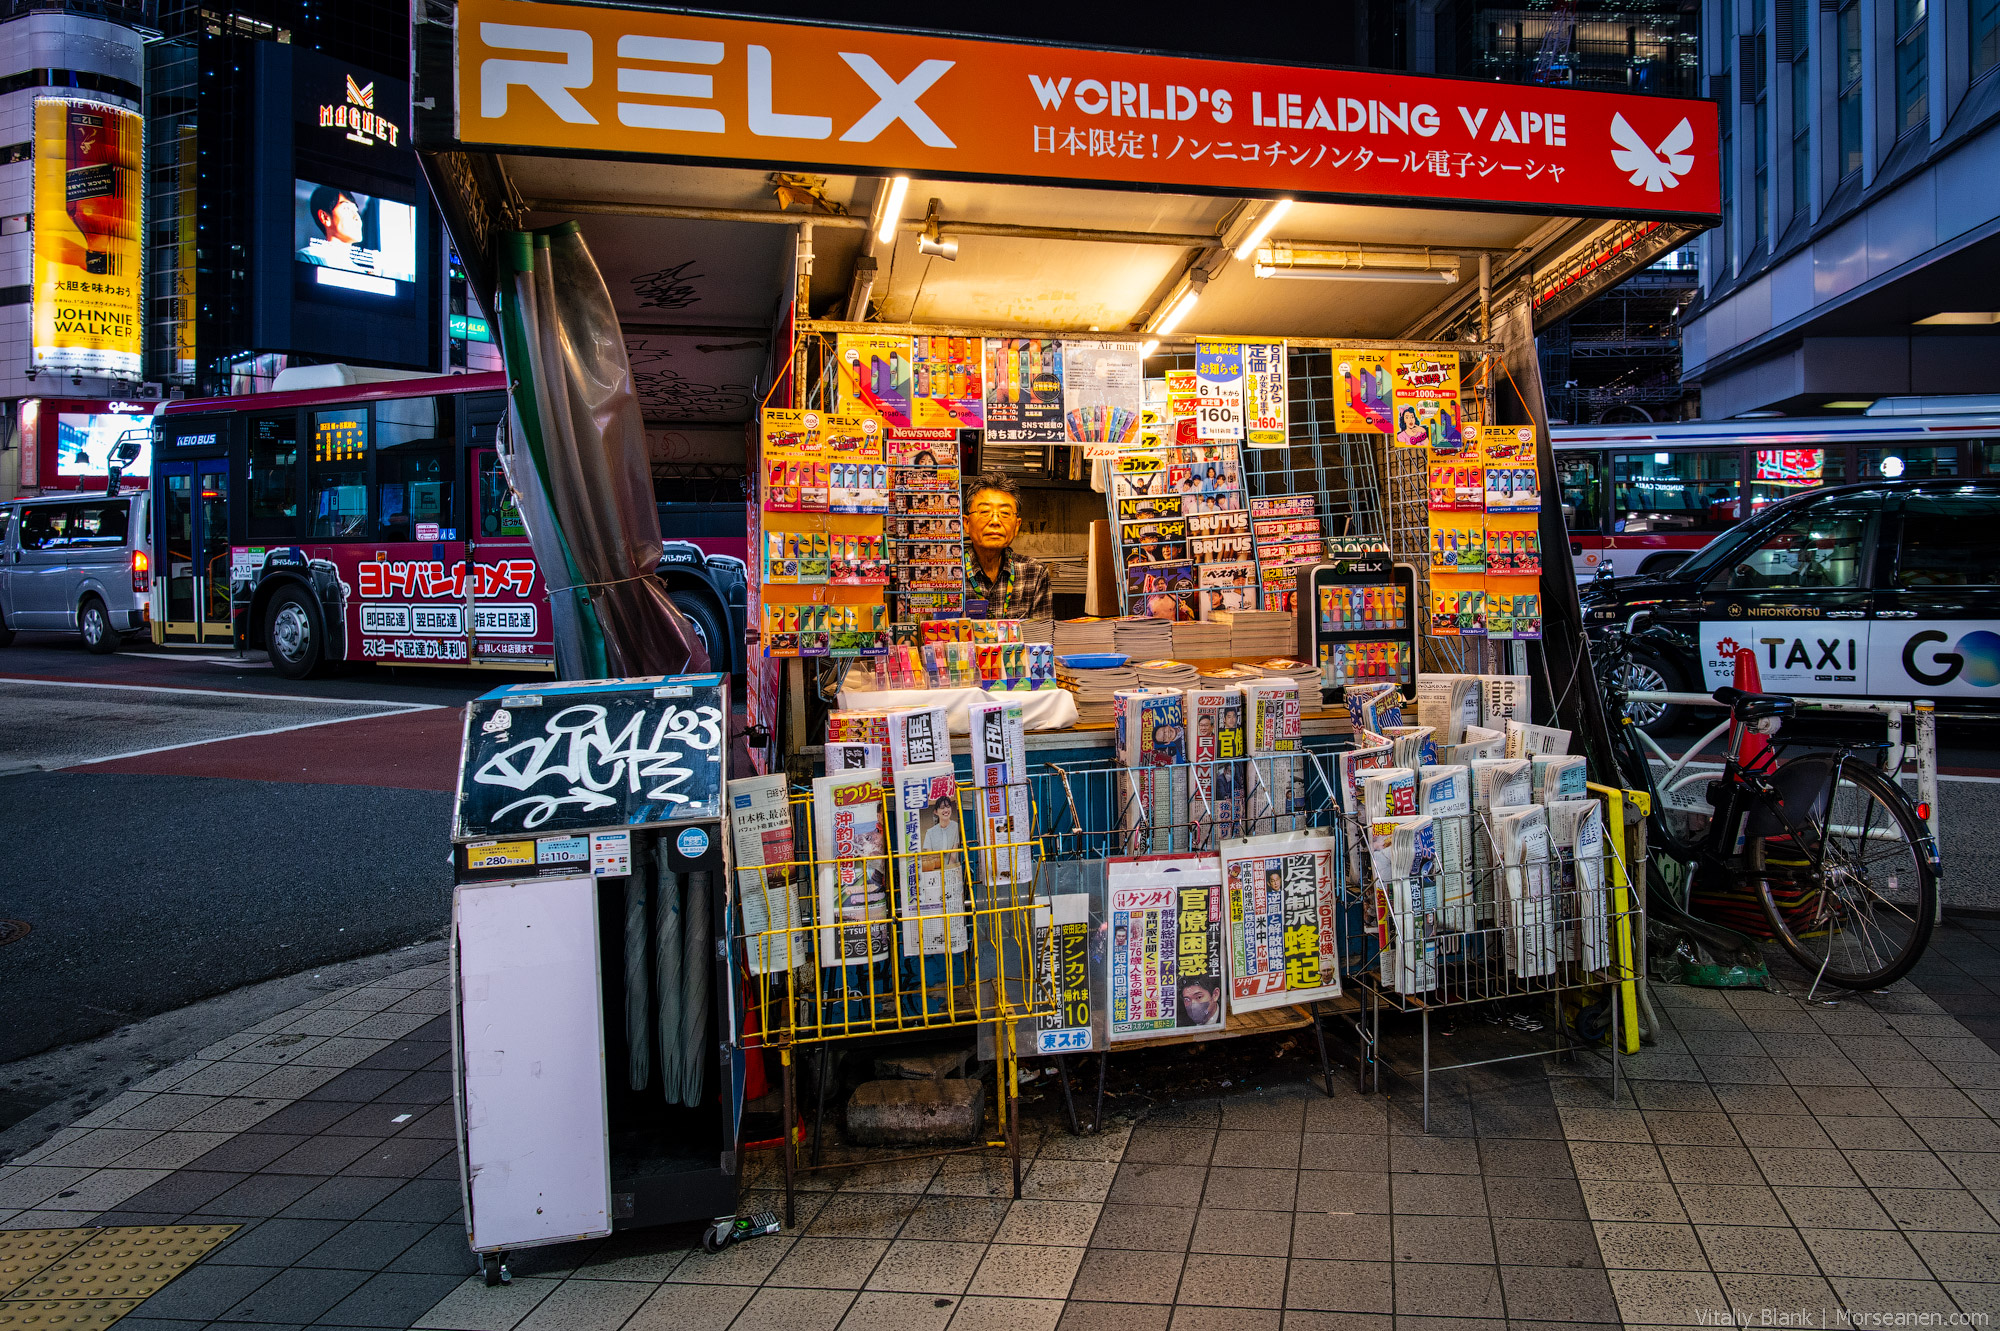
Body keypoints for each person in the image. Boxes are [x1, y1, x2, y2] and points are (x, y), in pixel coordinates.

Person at [963, 470, 1052, 619]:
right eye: (985, 511)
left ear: (1017, 526)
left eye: (1005, 513)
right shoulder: (949, 573)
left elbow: (1040, 639)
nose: (995, 521)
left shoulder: (1035, 573)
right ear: (966, 523)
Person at [298, 186, 373, 272]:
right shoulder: (309, 258)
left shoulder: (362, 272)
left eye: (356, 211)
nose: (357, 218)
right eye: (347, 208)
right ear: (325, 217)